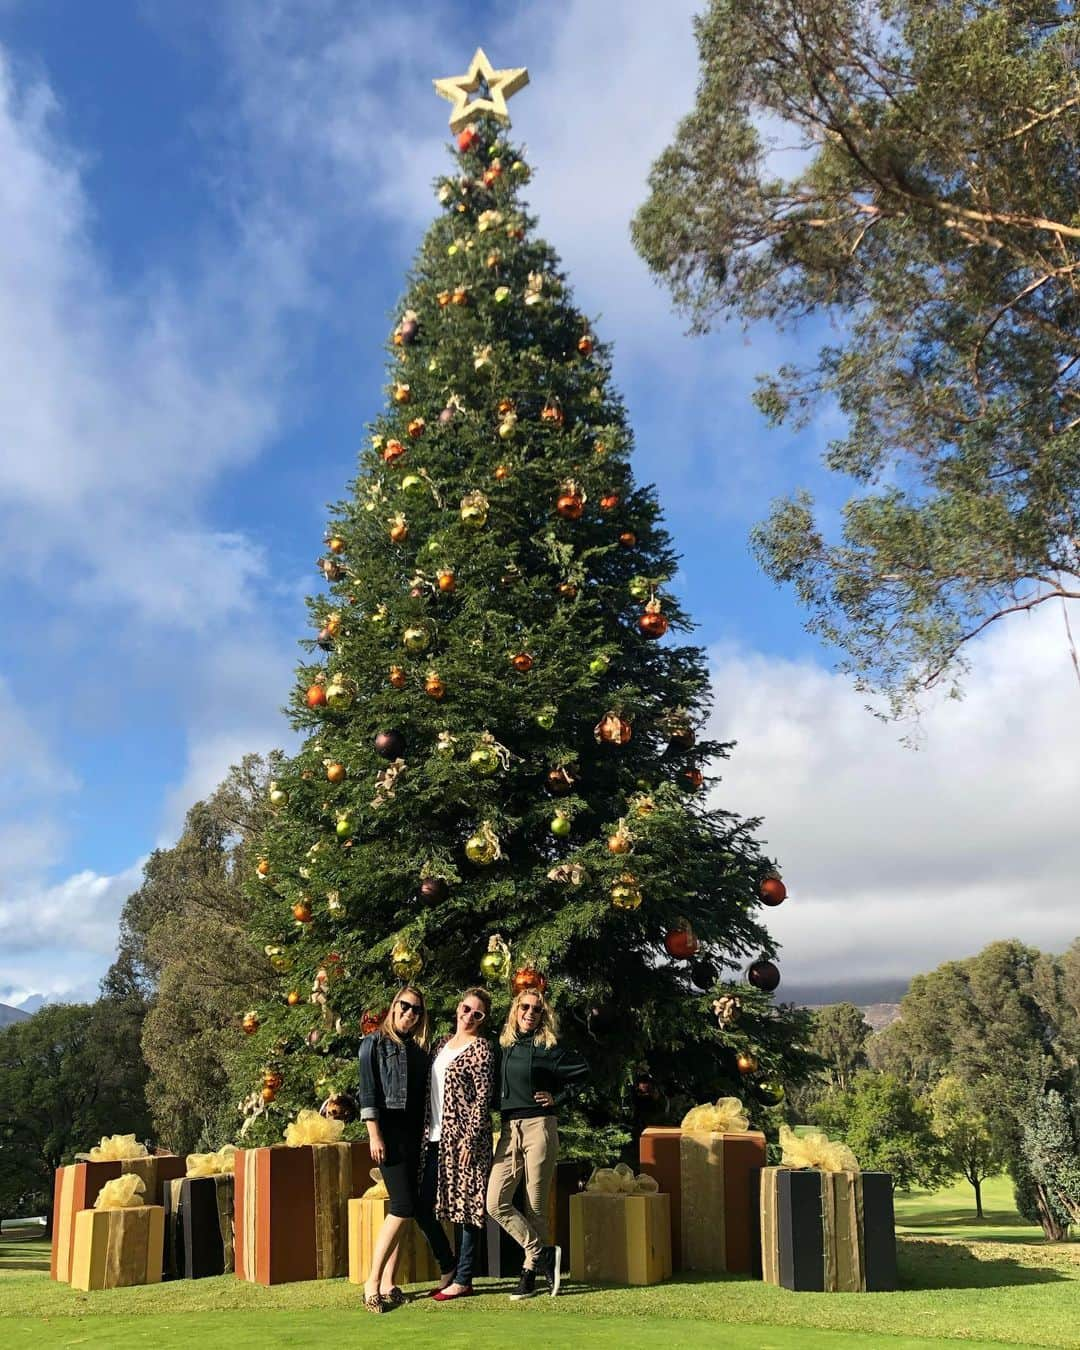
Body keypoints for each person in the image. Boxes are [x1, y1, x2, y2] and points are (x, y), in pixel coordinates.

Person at [357, 986, 456, 1313]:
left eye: (417, 1010)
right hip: (389, 1136)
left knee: (408, 1207)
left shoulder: (419, 1050)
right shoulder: (373, 1044)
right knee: (401, 1206)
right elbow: (368, 1095)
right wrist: (375, 1135)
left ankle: (388, 1282)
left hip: (416, 1138)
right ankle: (371, 1282)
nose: (410, 1013)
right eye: (405, 1006)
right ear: (393, 1005)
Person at [486, 987, 589, 1299]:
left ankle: (529, 1274)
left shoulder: (548, 1048)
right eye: (525, 1008)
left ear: (544, 1016)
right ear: (515, 1011)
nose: (530, 1014)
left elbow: (583, 1073)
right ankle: (543, 1253)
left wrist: (557, 1097)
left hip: (539, 1127)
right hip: (508, 1130)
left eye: (536, 1010)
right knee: (495, 1202)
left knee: (535, 1207)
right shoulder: (503, 1045)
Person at [428, 986, 497, 1302]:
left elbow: (483, 1097)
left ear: (482, 1020)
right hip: (435, 1137)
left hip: (467, 1138)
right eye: (467, 1009)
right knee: (421, 1202)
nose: (469, 1016)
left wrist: (471, 1138)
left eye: (477, 1013)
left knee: (469, 1207)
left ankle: (464, 1279)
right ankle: (449, 1265)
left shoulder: (481, 1049)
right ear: (458, 1008)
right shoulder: (441, 1045)